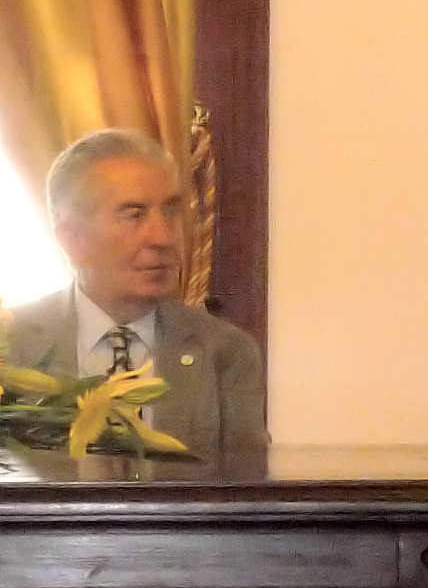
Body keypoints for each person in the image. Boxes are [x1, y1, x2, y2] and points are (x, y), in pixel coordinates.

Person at [6, 128, 267, 456]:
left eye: (170, 211)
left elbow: (247, 481)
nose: (163, 237)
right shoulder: (12, 347)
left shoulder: (224, 352)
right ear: (72, 238)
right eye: (134, 214)